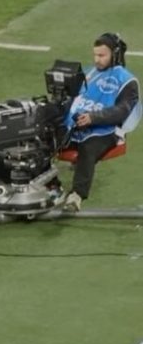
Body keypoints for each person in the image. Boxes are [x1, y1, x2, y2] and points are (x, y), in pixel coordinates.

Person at [59, 33, 140, 212]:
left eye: (102, 55)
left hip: (107, 130)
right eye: (95, 55)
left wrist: (93, 117)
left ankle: (76, 195)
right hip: (77, 123)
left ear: (114, 55)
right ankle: (49, 185)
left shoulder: (128, 81)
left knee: (87, 148)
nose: (97, 59)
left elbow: (122, 111)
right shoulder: (89, 73)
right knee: (47, 137)